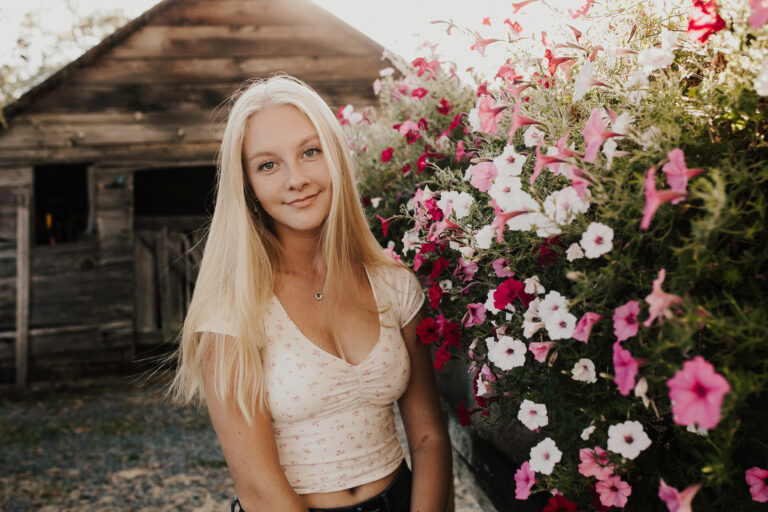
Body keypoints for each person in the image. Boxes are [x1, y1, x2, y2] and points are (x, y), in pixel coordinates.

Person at [168, 74, 453, 511]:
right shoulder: (230, 310)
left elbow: (431, 437)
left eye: (310, 152)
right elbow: (259, 486)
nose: (295, 179)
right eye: (268, 164)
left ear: (334, 155)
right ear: (246, 186)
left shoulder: (393, 283)